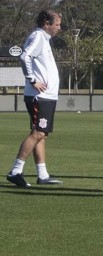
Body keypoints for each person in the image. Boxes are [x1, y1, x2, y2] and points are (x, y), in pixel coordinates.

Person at [6, 10, 64, 188]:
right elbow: (24, 56)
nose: (59, 28)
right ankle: (15, 171)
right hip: (40, 96)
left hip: (46, 96)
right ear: (46, 23)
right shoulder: (38, 36)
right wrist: (32, 80)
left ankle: (42, 174)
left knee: (41, 135)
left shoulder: (44, 39)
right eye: (57, 25)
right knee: (38, 133)